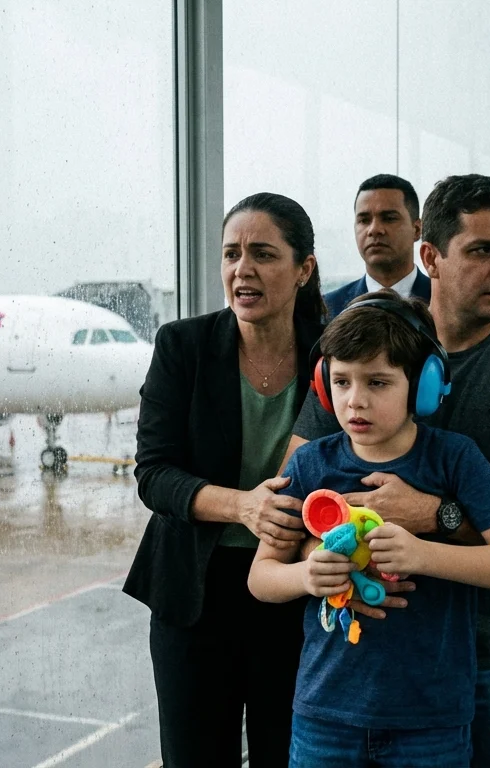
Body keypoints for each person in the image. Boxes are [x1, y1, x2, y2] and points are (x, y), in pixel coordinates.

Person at [288, 174, 490, 767]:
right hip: (381, 652)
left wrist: (429, 515)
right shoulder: (369, 349)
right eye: (482, 250)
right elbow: (296, 493)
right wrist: (319, 563)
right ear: (431, 256)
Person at [249, 290, 490, 766]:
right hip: (326, 715)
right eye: (340, 382)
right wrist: (304, 577)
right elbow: (260, 577)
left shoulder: (455, 458)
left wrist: (424, 554)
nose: (354, 401)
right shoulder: (309, 464)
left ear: (423, 386)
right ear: (323, 385)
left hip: (431, 718)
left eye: (378, 383)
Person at [123, 192, 326, 767]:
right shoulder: (183, 346)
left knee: (286, 754)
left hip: (294, 588)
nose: (244, 270)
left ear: (303, 268)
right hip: (195, 590)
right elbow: (154, 475)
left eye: (263, 254)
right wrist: (243, 507)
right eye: (231, 254)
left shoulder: (331, 353)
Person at [324, 174, 432, 318]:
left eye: (389, 218)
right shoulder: (328, 308)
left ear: (417, 229)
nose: (374, 229)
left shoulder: (444, 301)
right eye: (364, 220)